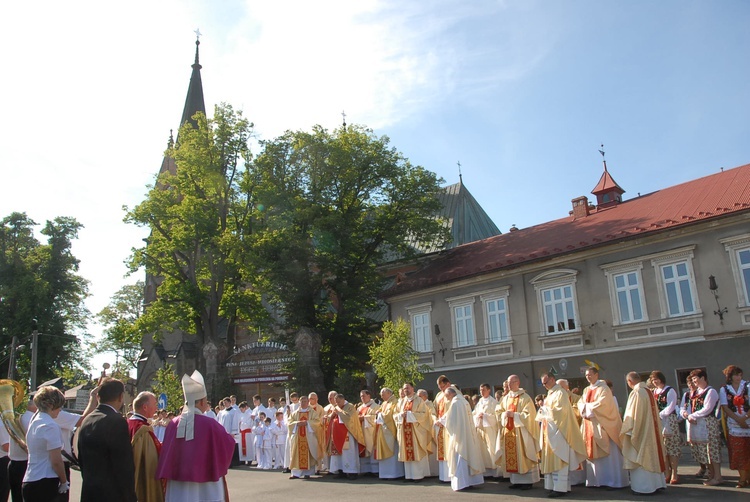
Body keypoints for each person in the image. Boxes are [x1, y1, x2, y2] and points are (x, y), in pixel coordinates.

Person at [155, 371, 235, 501]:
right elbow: (227, 445)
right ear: (202, 401)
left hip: (178, 482)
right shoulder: (210, 424)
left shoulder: (173, 423)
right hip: (206, 482)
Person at [77, 377, 136, 502]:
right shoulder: (117, 421)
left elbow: (81, 458)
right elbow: (123, 464)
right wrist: (130, 495)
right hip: (111, 493)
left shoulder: (87, 419)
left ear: (99, 397)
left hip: (89, 490)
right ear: (121, 397)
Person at [536, 371, 587, 498]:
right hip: (550, 431)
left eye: (546, 383)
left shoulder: (560, 393)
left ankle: (560, 488)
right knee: (552, 459)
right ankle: (555, 486)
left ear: (552, 380)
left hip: (559, 432)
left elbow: (560, 412)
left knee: (559, 459)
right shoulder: (550, 394)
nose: (544, 386)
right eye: (543, 384)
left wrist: (544, 410)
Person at [578, 367, 628, 489]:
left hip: (604, 425)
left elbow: (603, 405)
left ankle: (612, 481)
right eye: (586, 375)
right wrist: (584, 408)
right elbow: (580, 403)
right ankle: (596, 480)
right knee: (592, 453)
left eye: (590, 375)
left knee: (609, 455)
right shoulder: (586, 390)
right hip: (590, 425)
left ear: (596, 374)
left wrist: (587, 407)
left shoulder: (603, 388)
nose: (588, 377)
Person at [620, 372, 667, 494]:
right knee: (653, 455)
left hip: (641, 431)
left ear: (629, 381)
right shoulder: (648, 392)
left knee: (640, 456)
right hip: (652, 430)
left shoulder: (636, 393)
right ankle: (657, 484)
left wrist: (627, 429)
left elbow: (632, 416)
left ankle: (643, 487)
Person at [21, 386, 68, 502]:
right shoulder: (50, 425)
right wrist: (64, 481)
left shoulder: (34, 421)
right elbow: (56, 461)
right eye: (59, 406)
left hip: (30, 478)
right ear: (51, 405)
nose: (60, 410)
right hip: (45, 481)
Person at [496, 374, 540, 490]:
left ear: (518, 383)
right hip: (509, 431)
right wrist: (503, 415)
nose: (509, 385)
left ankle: (527, 481)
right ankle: (516, 481)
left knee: (524, 455)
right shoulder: (505, 398)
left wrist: (514, 415)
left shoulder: (525, 398)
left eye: (511, 383)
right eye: (508, 383)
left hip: (522, 433)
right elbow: (498, 411)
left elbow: (529, 415)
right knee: (512, 457)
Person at [681, 368, 723, 486]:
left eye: (695, 378)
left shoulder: (710, 392)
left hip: (709, 423)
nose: (694, 381)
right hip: (698, 424)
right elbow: (687, 406)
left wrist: (692, 416)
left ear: (703, 378)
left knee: (712, 450)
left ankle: (718, 476)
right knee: (705, 452)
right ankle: (712, 474)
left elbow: (707, 409)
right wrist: (686, 415)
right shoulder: (696, 392)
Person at [441, 387, 485, 491]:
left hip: (459, 438)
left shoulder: (455, 403)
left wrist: (442, 422)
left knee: (460, 459)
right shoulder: (464, 401)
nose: (447, 399)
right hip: (468, 435)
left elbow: (450, 422)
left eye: (447, 397)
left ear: (451, 394)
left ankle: (462, 483)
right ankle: (470, 481)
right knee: (469, 457)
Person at [128, 391, 164, 502]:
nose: (156, 408)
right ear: (145, 407)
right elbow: (150, 460)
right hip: (142, 479)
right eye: (154, 404)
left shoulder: (128, 423)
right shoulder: (142, 429)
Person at [719, 365, 750, 488]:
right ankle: (742, 478)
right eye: (736, 375)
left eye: (740, 375)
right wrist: (738, 420)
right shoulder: (725, 389)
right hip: (734, 425)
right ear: (730, 376)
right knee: (738, 453)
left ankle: (747, 477)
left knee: (748, 452)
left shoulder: (747, 386)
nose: (738, 377)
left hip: (748, 421)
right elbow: (725, 407)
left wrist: (745, 418)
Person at [395, 382, 432, 482]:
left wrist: (410, 415)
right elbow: (395, 414)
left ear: (412, 388)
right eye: (404, 388)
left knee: (416, 452)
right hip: (404, 430)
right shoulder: (401, 402)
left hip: (416, 431)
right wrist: (400, 415)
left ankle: (418, 475)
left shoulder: (419, 400)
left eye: (407, 388)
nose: (405, 390)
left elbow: (424, 415)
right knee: (407, 453)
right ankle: (409, 476)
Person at [650, 370, 681, 484]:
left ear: (661, 379)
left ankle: (675, 472)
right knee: (663, 448)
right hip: (658, 422)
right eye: (653, 380)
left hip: (669, 420)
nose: (654, 382)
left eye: (656, 379)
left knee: (672, 447)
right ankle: (666, 471)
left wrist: (659, 415)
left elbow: (670, 406)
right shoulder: (654, 392)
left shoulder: (670, 390)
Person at [328, 393, 365, 479]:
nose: (337, 404)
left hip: (347, 433)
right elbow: (332, 418)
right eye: (336, 402)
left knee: (348, 453)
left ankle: (352, 472)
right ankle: (341, 471)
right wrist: (332, 415)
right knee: (338, 454)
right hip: (337, 433)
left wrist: (339, 412)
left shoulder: (350, 406)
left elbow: (350, 419)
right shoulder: (336, 407)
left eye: (339, 402)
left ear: (343, 400)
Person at [372, 387, 404, 479]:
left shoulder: (394, 402)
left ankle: (395, 474)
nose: (381, 396)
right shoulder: (385, 403)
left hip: (389, 430)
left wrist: (380, 414)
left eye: (383, 394)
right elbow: (381, 412)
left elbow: (391, 415)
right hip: (383, 430)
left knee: (392, 451)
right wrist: (378, 412)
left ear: (389, 393)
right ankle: (385, 473)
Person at [8, 398, 35, 502]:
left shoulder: (19, 418)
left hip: (13, 463)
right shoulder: (31, 420)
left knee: (16, 497)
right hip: (25, 463)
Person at [288, 395, 320, 479]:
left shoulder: (312, 412)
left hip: (309, 438)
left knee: (309, 453)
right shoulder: (295, 413)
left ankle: (308, 472)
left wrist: (307, 423)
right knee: (296, 454)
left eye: (305, 401)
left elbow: (317, 422)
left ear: (308, 402)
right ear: (299, 402)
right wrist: (296, 423)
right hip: (298, 438)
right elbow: (289, 423)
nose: (303, 403)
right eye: (302, 402)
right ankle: (296, 473)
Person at [473, 382, 500, 478]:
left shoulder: (493, 402)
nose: (482, 392)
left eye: (484, 390)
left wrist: (485, 416)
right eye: (480, 390)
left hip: (490, 429)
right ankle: (485, 471)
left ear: (489, 390)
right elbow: (474, 413)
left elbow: (496, 416)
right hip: (481, 428)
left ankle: (494, 472)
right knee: (482, 450)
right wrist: (477, 416)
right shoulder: (479, 402)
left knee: (491, 449)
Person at [433, 375, 456, 482]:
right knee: (442, 450)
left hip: (449, 426)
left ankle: (451, 475)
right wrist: (435, 419)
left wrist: (444, 420)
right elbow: (434, 410)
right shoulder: (438, 395)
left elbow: (454, 409)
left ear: (448, 383)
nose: (441, 389)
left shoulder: (454, 392)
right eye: (440, 387)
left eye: (442, 387)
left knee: (449, 449)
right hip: (440, 426)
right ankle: (443, 476)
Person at [357, 389, 381, 476]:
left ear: (369, 396)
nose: (362, 398)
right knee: (362, 449)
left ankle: (374, 470)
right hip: (361, 432)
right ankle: (365, 470)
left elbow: (376, 417)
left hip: (371, 432)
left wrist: (364, 418)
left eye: (363, 396)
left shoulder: (375, 406)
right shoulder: (359, 408)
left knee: (371, 449)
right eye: (361, 396)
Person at [238, 401, 254, 465]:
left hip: (247, 433)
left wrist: (242, 424)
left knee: (248, 446)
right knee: (242, 446)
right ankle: (243, 459)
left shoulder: (249, 414)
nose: (241, 410)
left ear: (245, 408)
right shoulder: (241, 414)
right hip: (241, 432)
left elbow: (249, 424)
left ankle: (249, 459)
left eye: (242, 409)